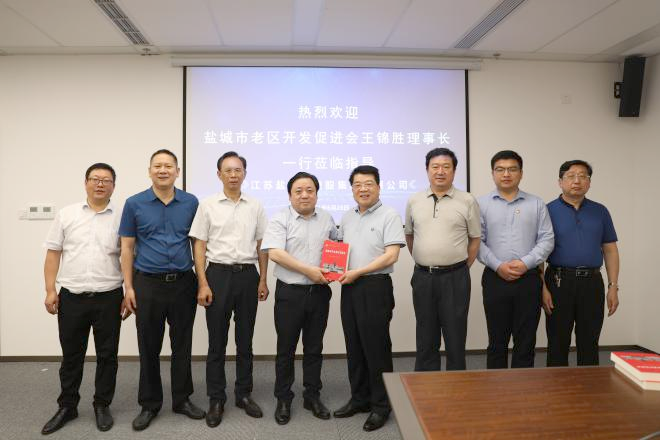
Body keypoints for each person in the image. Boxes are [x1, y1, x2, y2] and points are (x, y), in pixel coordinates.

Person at [119, 149, 204, 431]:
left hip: (183, 282)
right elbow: (127, 248)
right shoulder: (134, 203)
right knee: (149, 346)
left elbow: (197, 243)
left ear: (177, 172)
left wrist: (202, 280)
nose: (163, 170)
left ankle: (182, 399)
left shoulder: (191, 202)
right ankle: (149, 404)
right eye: (158, 166)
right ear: (150, 171)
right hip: (147, 284)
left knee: (182, 344)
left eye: (169, 166)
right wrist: (129, 287)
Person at [41, 163, 127, 435]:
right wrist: (50, 289)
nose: (100, 184)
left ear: (114, 185)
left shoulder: (122, 217)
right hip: (72, 296)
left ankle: (102, 404)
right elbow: (53, 253)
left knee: (107, 355)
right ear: (85, 182)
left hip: (109, 296)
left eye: (106, 180)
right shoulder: (67, 214)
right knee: (71, 355)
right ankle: (67, 406)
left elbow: (129, 256)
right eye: (95, 179)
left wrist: (129, 291)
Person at [189, 151, 269, 427]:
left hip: (248, 275)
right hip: (218, 275)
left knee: (245, 340)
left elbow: (262, 245)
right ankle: (216, 398)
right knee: (217, 342)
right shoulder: (207, 205)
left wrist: (263, 279)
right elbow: (199, 245)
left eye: (238, 170)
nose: (233, 175)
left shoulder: (255, 205)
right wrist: (202, 282)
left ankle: (243, 394)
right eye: (228, 170)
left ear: (244, 173)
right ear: (219, 174)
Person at [261, 172, 337, 425]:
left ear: (317, 193)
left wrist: (334, 270)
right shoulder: (280, 218)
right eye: (298, 191)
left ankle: (312, 396)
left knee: (314, 347)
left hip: (319, 293)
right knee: (286, 349)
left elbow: (337, 250)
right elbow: (275, 253)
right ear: (290, 195)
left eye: (309, 190)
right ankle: (284, 398)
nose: (304, 195)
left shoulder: (326, 218)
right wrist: (309, 271)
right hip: (290, 294)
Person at [333, 165, 405, 432]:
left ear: (378, 187)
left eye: (368, 184)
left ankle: (381, 406)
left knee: (376, 348)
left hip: (375, 286)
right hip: (350, 287)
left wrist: (358, 272)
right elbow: (339, 251)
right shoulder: (347, 217)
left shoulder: (390, 215)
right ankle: (360, 398)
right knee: (354, 345)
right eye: (357, 185)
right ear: (352, 189)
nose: (363, 189)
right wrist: (333, 269)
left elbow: (391, 255)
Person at [405, 147, 481, 371]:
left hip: (455, 278)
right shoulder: (414, 200)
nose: (440, 171)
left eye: (446, 167)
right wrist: (426, 259)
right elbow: (410, 236)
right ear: (427, 170)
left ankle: (456, 386)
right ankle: (425, 386)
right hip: (423, 277)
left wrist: (460, 267)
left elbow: (475, 239)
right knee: (425, 334)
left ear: (454, 171)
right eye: (435, 167)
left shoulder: (467, 200)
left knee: (455, 335)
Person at [477, 150, 554, 369]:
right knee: (496, 341)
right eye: (500, 169)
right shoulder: (480, 204)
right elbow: (476, 242)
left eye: (512, 169)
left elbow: (547, 239)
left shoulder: (536, 203)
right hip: (495, 278)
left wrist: (525, 263)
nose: (506, 174)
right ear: (492, 173)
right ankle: (496, 387)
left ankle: (523, 388)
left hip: (528, 279)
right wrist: (498, 265)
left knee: (526, 341)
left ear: (521, 173)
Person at [543, 160, 620, 366]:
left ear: (589, 182)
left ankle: (589, 385)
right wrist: (542, 288)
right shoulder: (546, 211)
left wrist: (613, 286)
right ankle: (557, 384)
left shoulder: (600, 211)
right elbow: (539, 253)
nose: (576, 181)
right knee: (557, 341)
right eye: (570, 176)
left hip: (592, 283)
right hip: (558, 281)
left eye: (583, 176)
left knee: (590, 340)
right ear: (560, 182)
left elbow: (610, 250)